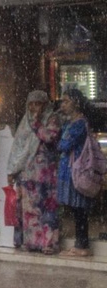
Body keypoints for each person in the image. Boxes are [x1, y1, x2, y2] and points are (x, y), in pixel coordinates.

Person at [7, 90, 62, 254]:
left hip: (46, 173)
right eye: (31, 104)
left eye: (37, 103)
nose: (33, 107)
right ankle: (31, 242)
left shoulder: (52, 119)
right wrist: (12, 169)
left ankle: (48, 243)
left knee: (47, 208)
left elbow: (49, 138)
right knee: (29, 210)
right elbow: (19, 147)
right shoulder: (26, 121)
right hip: (27, 173)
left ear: (45, 104)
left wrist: (38, 123)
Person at [56, 88, 96, 258]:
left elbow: (63, 145)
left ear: (76, 103)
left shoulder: (79, 124)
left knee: (79, 209)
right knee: (75, 209)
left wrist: (61, 141)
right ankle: (79, 243)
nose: (62, 105)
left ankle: (82, 244)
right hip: (70, 171)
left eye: (66, 101)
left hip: (77, 172)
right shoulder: (70, 123)